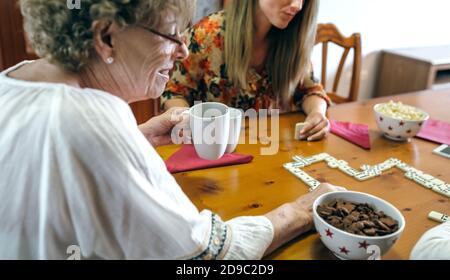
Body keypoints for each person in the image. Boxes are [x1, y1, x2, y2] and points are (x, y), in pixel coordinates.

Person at [0, 0, 345, 260]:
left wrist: (137, 138)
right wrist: (301, 210)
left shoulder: (13, 80)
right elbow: (207, 254)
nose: (183, 50)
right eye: (171, 34)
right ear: (106, 36)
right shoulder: (97, 119)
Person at [162, 0, 330, 141]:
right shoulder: (207, 35)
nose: (297, 5)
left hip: (273, 150)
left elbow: (311, 90)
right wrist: (188, 124)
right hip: (217, 155)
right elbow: (174, 93)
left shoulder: (292, 40)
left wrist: (317, 113)